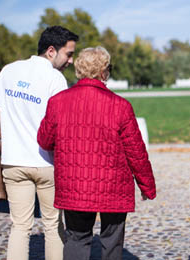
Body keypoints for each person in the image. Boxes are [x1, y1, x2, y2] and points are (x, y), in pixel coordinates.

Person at [37, 46, 157, 260]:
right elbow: (135, 151)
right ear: (104, 72)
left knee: (76, 238)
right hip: (113, 186)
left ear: (79, 71)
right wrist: (146, 185)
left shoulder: (58, 102)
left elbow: (45, 141)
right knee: (112, 241)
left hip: (74, 184)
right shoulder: (121, 106)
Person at [0, 25, 79, 260]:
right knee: (53, 227)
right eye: (69, 54)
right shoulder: (55, 79)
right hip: (47, 163)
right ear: (51, 51)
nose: (71, 61)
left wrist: (14, 119)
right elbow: (60, 125)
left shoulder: (9, 70)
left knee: (20, 227)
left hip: (13, 162)